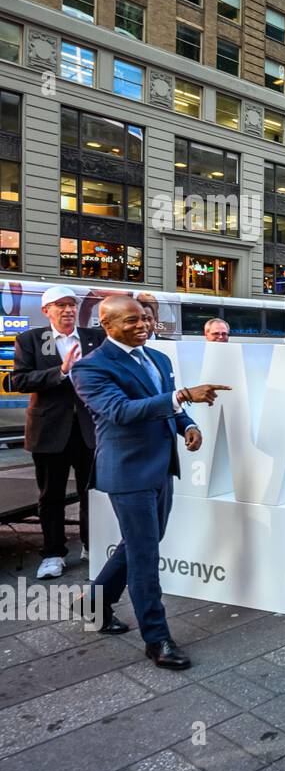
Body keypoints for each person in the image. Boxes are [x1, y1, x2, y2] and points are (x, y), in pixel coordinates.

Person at [69, 295, 231, 669]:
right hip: (127, 473)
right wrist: (181, 396)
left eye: (144, 318)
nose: (142, 325)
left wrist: (186, 424)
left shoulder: (158, 358)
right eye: (130, 321)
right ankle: (157, 640)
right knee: (145, 556)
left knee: (143, 542)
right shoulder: (90, 368)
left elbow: (166, 405)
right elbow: (120, 412)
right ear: (107, 326)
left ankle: (93, 602)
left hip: (161, 467)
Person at [7, 286, 105, 579]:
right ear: (46, 310)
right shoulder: (31, 340)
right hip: (49, 430)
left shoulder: (94, 338)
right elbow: (19, 380)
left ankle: (93, 544)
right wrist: (60, 371)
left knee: (94, 492)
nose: (68, 310)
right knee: (51, 495)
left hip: (90, 429)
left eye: (72, 305)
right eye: (60, 305)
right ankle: (53, 553)